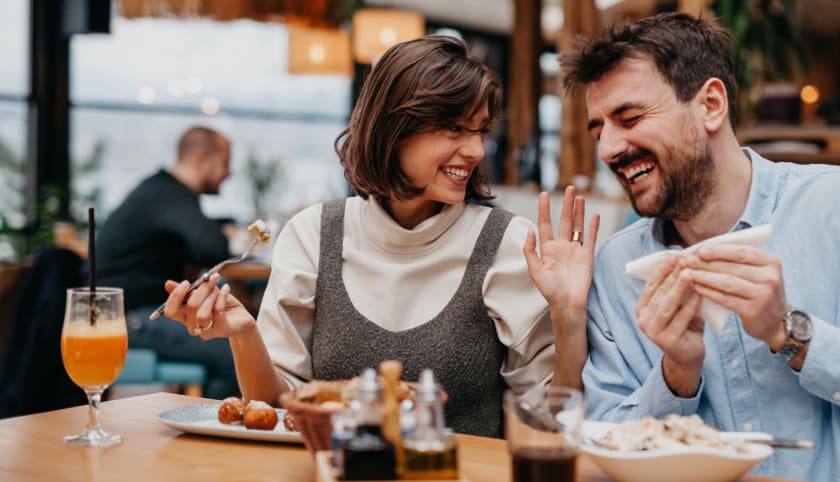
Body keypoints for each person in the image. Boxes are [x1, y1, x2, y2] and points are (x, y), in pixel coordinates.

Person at [526, 13, 840, 482]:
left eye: (630, 118)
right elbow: (602, 439)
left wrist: (793, 334)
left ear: (711, 105)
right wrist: (676, 376)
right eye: (598, 131)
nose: (609, 148)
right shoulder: (617, 270)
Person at [161, 36, 582, 438]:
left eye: (481, 131)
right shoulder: (313, 235)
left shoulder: (507, 243)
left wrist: (567, 317)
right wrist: (244, 335)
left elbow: (548, 418)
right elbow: (276, 409)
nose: (475, 151)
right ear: (393, 129)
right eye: (454, 129)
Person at [96, 126, 239, 399]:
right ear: (201, 159)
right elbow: (213, 246)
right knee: (234, 352)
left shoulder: (159, 192)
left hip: (132, 312)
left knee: (233, 340)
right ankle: (211, 432)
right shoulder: (170, 194)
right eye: (225, 163)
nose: (228, 173)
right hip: (129, 317)